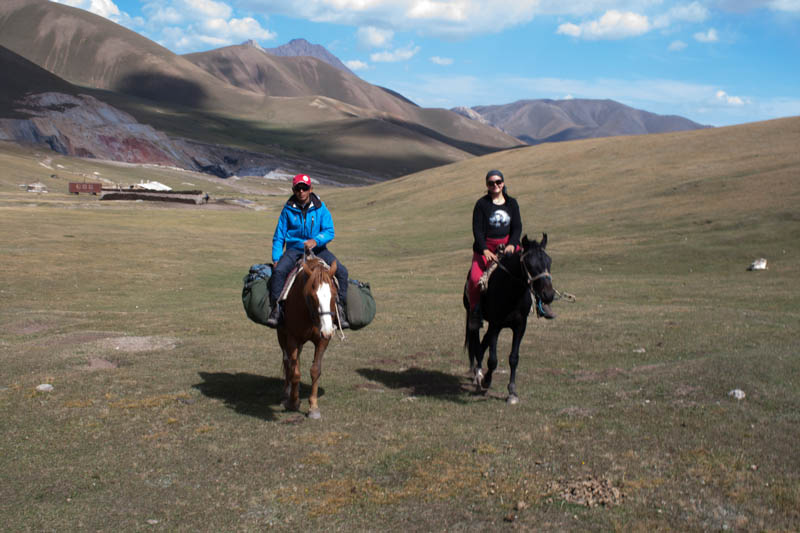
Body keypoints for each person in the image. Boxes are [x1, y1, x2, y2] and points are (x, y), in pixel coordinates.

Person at [467, 169, 554, 329]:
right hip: (485, 249)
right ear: (487, 185)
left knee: (533, 269)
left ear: (503, 183)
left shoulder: (511, 203)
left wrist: (513, 244)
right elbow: (477, 229)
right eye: (491, 183)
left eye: (498, 182)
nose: (495, 185)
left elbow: (517, 226)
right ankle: (475, 312)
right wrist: (485, 249)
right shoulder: (481, 204)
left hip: (509, 246)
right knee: (474, 279)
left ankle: (542, 305)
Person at [266, 173, 349, 329]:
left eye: (304, 188)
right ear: (293, 190)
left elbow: (330, 231)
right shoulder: (287, 210)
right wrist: (276, 258)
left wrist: (316, 240)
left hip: (318, 249)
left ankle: (340, 308)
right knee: (278, 272)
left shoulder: (320, 208)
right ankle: (277, 310)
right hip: (295, 250)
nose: (301, 192)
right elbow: (279, 237)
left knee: (342, 272)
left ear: (311, 189)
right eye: (298, 189)